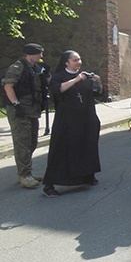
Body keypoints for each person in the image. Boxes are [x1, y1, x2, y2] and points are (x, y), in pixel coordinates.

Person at [42, 50, 103, 197]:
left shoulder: (85, 75)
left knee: (87, 147)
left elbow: (98, 93)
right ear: (66, 62)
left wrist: (98, 82)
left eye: (79, 59)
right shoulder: (59, 77)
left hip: (86, 119)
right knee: (61, 151)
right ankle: (50, 184)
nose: (78, 63)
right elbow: (57, 90)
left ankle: (87, 175)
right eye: (75, 60)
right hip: (67, 121)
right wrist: (76, 80)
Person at [3, 43, 48, 189]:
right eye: (39, 53)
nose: (41, 56)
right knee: (22, 142)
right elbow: (8, 86)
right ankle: (24, 175)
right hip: (20, 110)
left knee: (32, 142)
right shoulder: (18, 67)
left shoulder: (34, 68)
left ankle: (27, 172)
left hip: (32, 110)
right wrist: (16, 104)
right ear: (31, 54)